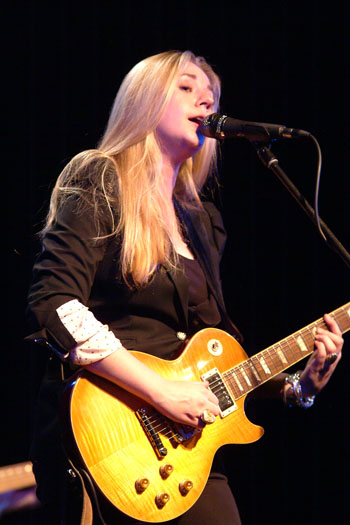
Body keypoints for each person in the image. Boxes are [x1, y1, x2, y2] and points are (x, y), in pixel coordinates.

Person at [26, 50, 344, 525]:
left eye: (212, 93)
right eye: (187, 87)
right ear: (145, 99)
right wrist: (159, 391)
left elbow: (216, 362)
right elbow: (54, 302)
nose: (206, 99)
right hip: (107, 436)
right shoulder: (99, 177)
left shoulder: (202, 221)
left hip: (182, 453)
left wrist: (299, 387)